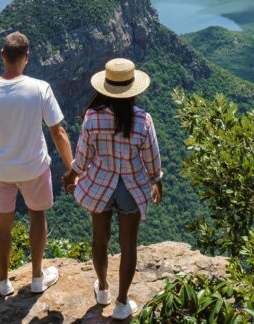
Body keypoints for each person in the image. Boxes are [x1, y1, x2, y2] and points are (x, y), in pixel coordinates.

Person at [0, 31, 75, 297]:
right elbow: (58, 132)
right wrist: (72, 168)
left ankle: (3, 281)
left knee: (3, 223)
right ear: (26, 57)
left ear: (3, 55)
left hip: (0, 170)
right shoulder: (40, 88)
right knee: (37, 216)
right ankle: (37, 278)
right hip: (34, 168)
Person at [62, 58, 163, 320]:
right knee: (128, 245)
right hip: (132, 188)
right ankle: (121, 303)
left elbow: (82, 158)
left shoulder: (92, 117)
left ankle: (103, 289)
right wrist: (157, 182)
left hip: (100, 186)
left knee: (100, 239)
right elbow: (152, 159)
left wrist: (71, 175)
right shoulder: (143, 120)